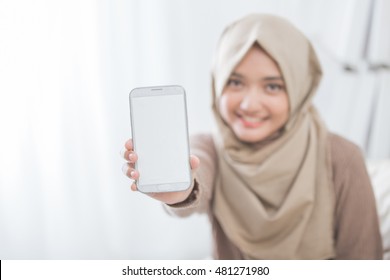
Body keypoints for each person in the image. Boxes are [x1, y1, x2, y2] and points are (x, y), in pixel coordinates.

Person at [121, 14, 383, 259]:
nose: (249, 104)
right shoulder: (210, 148)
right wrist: (179, 190)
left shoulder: (342, 158)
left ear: (300, 88)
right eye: (235, 82)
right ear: (218, 84)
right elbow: (196, 175)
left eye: (272, 86)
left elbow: (363, 260)